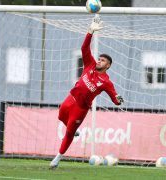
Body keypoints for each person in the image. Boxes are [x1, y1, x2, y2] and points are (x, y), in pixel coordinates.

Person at [49, 16, 124, 169]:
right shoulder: (89, 64)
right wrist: (90, 31)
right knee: (60, 115)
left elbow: (114, 99)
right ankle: (73, 130)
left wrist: (118, 99)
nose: (99, 61)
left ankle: (57, 159)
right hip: (70, 99)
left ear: (108, 66)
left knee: (69, 133)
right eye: (99, 58)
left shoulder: (106, 82)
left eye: (103, 60)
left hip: (80, 109)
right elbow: (84, 48)